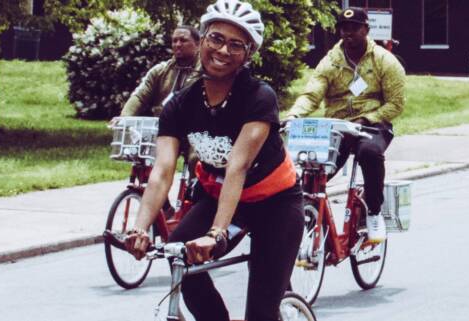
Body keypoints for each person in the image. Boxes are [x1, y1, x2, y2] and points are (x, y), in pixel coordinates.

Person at [123, 1, 303, 320]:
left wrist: (217, 232)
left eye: (236, 45)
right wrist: (139, 228)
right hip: (220, 195)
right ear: (203, 39)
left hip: (275, 203)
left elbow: (238, 166)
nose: (222, 50)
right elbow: (162, 172)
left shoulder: (259, 97)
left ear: (248, 54)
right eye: (216, 38)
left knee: (261, 311)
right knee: (180, 254)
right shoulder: (180, 104)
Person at [286, 7, 405, 243]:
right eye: (344, 28)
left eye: (354, 28)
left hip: (372, 125)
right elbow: (312, 95)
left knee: (369, 153)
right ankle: (309, 216)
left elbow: (396, 104)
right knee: (313, 167)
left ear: (366, 30)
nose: (348, 33)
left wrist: (367, 118)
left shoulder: (384, 60)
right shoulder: (331, 61)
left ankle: (373, 212)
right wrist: (294, 116)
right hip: (338, 126)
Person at [121, 25, 201, 117]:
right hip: (163, 127)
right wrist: (124, 119)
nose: (178, 44)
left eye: (183, 40)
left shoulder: (207, 72)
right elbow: (139, 97)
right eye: (174, 41)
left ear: (198, 44)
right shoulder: (160, 71)